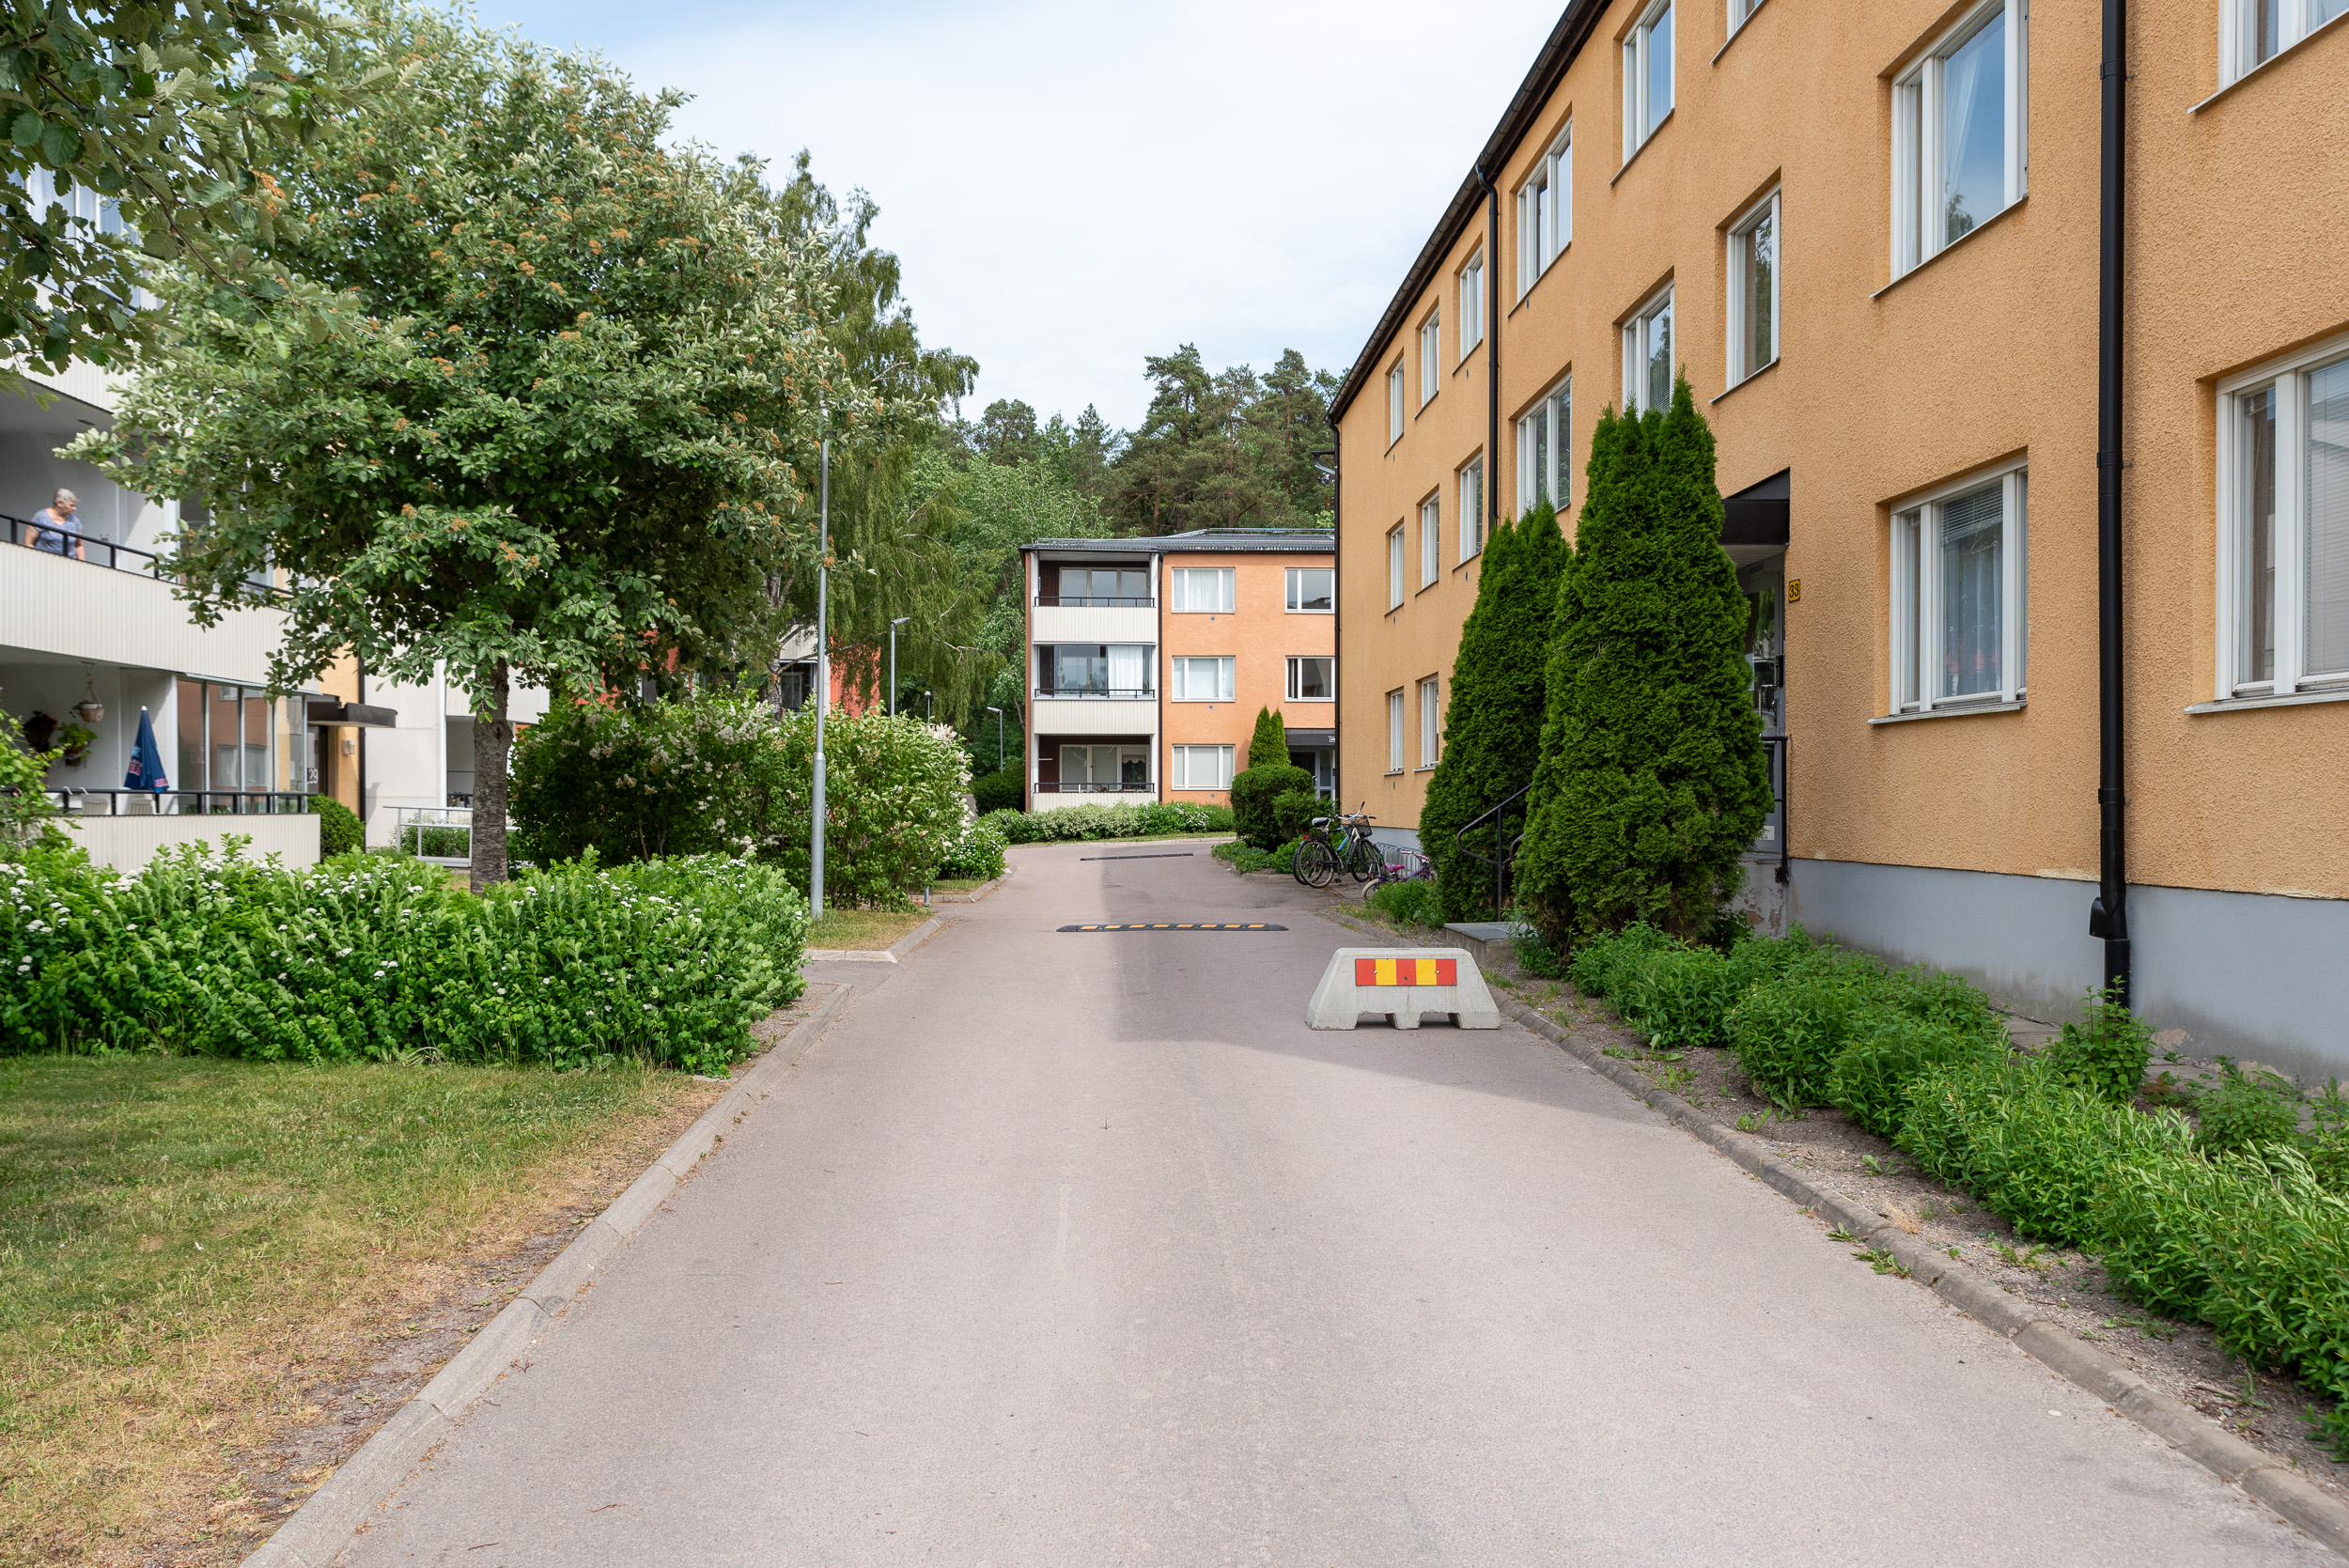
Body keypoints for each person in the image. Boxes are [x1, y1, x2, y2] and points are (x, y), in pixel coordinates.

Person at [29, 489, 84, 559]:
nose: (74, 508)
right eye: (71, 505)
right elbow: (29, 542)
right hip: (44, 561)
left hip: (69, 564)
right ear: (60, 503)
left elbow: (79, 545)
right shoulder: (41, 517)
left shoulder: (74, 521)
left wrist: (81, 564)